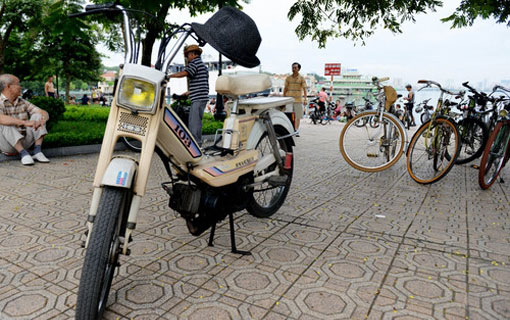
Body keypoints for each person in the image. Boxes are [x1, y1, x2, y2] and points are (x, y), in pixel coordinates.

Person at [0, 74, 50, 165]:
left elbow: (43, 112)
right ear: (8, 86)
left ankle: (37, 151)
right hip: (7, 144)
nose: (21, 87)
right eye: (18, 84)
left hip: (25, 141)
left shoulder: (22, 101)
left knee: (38, 115)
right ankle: (23, 153)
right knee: (4, 122)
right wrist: (24, 123)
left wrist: (43, 119)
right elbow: (1, 118)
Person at [169, 44, 209, 145]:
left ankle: (196, 145)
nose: (187, 58)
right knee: (194, 121)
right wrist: (188, 92)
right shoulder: (202, 65)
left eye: (188, 55)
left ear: (192, 54)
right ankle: (196, 143)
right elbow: (201, 83)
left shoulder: (194, 63)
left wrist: (170, 76)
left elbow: (185, 73)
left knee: (194, 124)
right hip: (201, 97)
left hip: (198, 98)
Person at [283, 62, 307, 129]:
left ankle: (296, 130)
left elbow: (305, 89)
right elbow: (285, 88)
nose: (293, 69)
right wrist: (283, 98)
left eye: (295, 68)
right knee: (288, 115)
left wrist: (305, 99)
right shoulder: (288, 78)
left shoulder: (302, 78)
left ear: (298, 69)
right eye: (293, 67)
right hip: (289, 99)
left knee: (298, 116)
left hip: (298, 100)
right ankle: (290, 129)